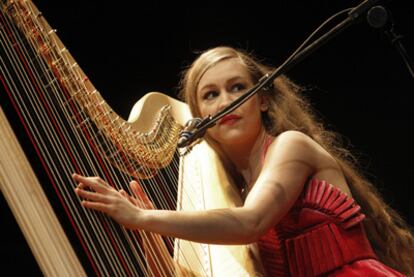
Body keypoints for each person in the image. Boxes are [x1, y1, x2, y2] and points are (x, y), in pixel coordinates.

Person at [73, 46, 414, 276]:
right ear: (198, 116)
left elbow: (250, 222)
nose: (226, 101)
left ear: (263, 100)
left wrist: (143, 217)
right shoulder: (230, 190)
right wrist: (149, 236)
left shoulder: (290, 146)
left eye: (237, 88)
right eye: (210, 95)